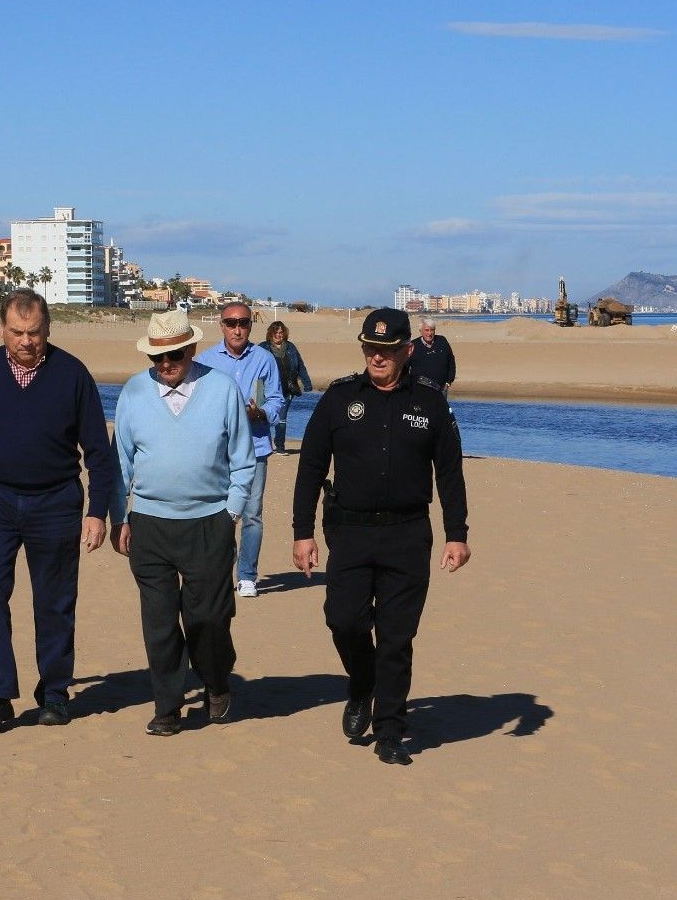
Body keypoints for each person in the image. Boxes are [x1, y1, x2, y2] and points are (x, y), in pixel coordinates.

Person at [292, 307, 470, 766]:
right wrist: (302, 533)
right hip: (350, 531)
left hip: (407, 534)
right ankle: (362, 683)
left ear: (407, 351)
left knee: (396, 637)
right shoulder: (339, 398)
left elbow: (450, 472)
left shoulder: (430, 401)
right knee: (344, 621)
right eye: (370, 347)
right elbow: (310, 466)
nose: (377, 356)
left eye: (387, 350)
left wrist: (456, 533)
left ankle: (390, 729)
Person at [0, 289, 114, 730]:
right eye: (17, 332)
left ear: (47, 329)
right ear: (1, 330)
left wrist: (98, 512)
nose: (26, 341)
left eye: (34, 332)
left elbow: (98, 450)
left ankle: (54, 693)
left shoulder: (72, 374)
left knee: (55, 602)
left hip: (56, 503)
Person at [109, 310, 256, 736]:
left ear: (191, 349)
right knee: (159, 622)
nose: (165, 364)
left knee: (207, 619)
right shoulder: (134, 391)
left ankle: (216, 681)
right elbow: (120, 462)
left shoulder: (222, 388)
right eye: (157, 357)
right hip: (149, 524)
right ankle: (168, 706)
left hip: (209, 522)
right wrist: (119, 516)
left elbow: (243, 459)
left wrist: (231, 512)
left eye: (173, 355)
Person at [195, 302, 283, 598]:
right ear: (221, 325)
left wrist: (261, 413)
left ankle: (247, 576)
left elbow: (277, 400)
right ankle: (220, 571)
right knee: (218, 513)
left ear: (250, 326)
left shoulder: (264, 359)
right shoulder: (205, 360)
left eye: (243, 323)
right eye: (231, 323)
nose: (237, 329)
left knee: (252, 514)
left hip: (255, 448)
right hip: (217, 451)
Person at [256, 320, 313, 455]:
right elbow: (254, 364)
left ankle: (280, 447)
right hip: (267, 389)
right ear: (270, 334)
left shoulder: (290, 347)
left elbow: (300, 365)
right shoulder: (263, 347)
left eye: (281, 332)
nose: (278, 335)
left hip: (288, 388)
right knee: (264, 416)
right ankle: (263, 445)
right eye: (275, 332)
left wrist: (307, 383)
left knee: (282, 418)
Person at [408, 317, 456, 393]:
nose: (429, 333)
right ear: (420, 331)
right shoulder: (413, 345)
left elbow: (451, 360)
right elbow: (405, 367)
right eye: (427, 330)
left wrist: (449, 381)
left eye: (432, 330)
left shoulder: (442, 341)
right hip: (420, 389)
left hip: (441, 388)